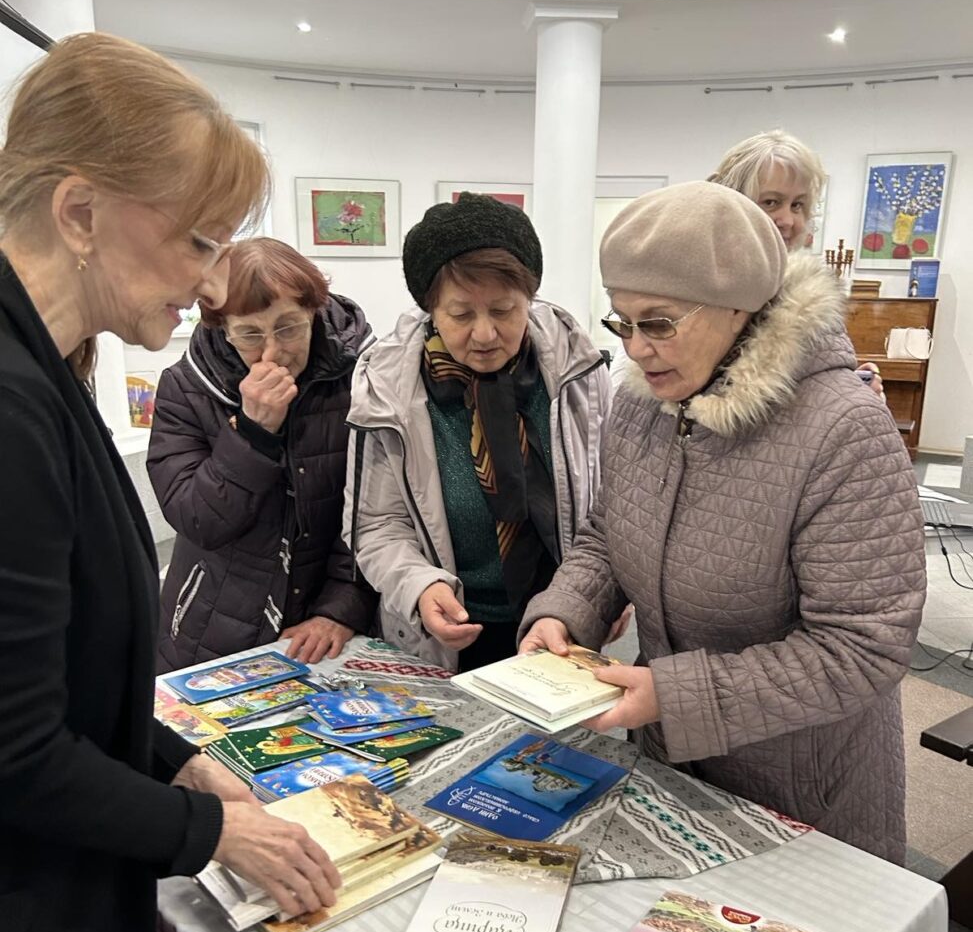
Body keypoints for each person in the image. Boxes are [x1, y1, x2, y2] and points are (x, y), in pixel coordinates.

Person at [0, 33, 340, 932]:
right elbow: (12, 749)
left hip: (52, 931)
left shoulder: (51, 366)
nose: (205, 279)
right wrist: (207, 826)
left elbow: (55, 674)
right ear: (81, 211)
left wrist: (168, 756)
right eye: (195, 239)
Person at [521, 181, 925, 864]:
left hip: (804, 786)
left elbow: (864, 647)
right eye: (622, 322)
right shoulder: (643, 404)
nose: (637, 349)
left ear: (741, 309)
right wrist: (564, 612)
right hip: (671, 762)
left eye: (659, 322)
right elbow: (606, 535)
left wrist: (676, 696)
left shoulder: (842, 428)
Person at [344, 192, 611, 671]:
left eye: (504, 310)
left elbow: (613, 503)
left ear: (529, 299)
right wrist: (420, 585)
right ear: (431, 310)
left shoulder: (578, 373)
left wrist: (605, 591)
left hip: (562, 624)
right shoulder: (388, 390)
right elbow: (376, 524)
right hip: (449, 632)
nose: (485, 334)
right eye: (461, 314)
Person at [148, 236, 376, 670]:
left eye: (288, 327)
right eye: (250, 334)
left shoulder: (365, 377)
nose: (273, 351)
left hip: (328, 629)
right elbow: (198, 519)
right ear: (223, 330)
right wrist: (253, 433)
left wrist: (341, 608)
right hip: (211, 626)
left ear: (314, 311)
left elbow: (379, 510)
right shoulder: (186, 388)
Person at [709, 128, 884, 398]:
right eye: (770, 202)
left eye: (797, 205)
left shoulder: (809, 300)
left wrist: (848, 388)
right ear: (732, 203)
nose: (788, 220)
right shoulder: (701, 289)